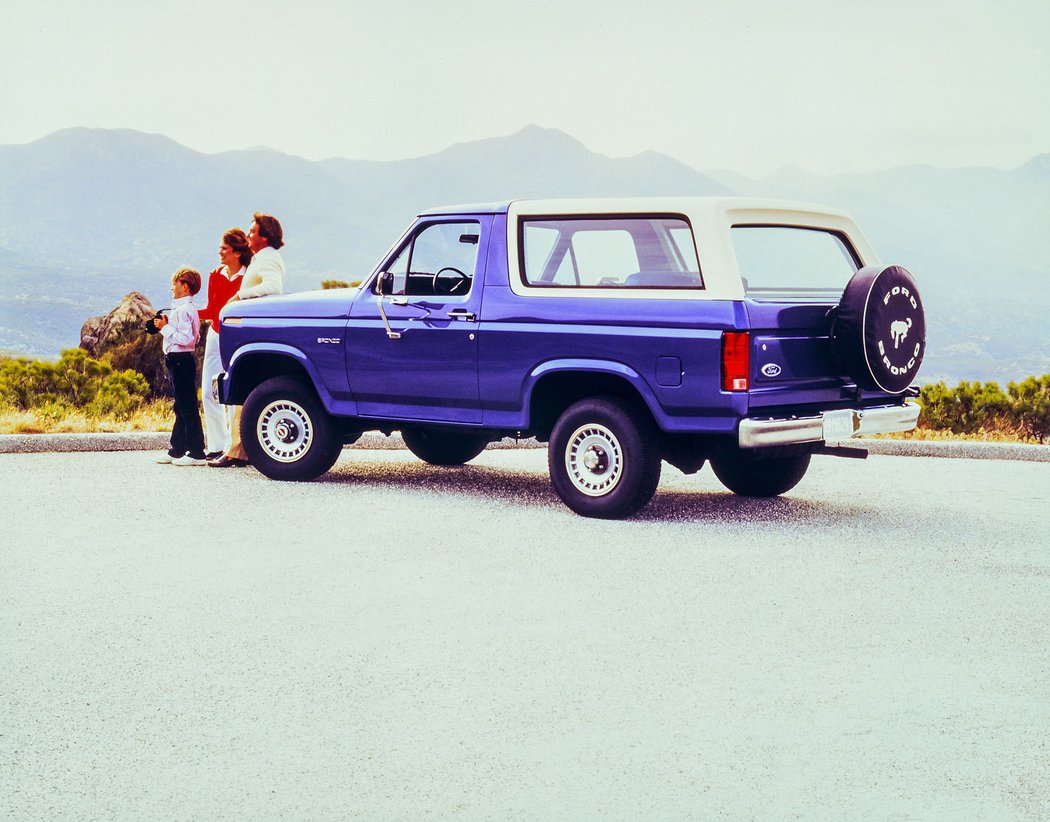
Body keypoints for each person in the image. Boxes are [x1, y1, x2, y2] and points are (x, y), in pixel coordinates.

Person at [209, 213, 286, 468]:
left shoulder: (268, 259)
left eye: (253, 232)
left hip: (255, 330)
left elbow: (273, 288)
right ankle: (238, 450)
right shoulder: (262, 258)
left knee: (243, 388)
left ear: (264, 236)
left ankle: (235, 451)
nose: (249, 235)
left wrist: (239, 296)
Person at [198, 229, 250, 458]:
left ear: (236, 252)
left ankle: (233, 447)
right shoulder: (215, 274)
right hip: (216, 335)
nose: (219, 252)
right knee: (209, 392)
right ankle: (216, 445)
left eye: (224, 248)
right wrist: (185, 313)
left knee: (233, 394)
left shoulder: (248, 278)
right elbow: (212, 310)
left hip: (238, 338)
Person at [154, 268, 207, 466]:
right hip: (179, 360)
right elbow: (196, 335)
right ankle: (177, 449)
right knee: (181, 405)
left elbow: (187, 338)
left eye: (174, 284)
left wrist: (164, 328)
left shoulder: (184, 310)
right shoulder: (185, 310)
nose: (172, 288)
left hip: (180, 360)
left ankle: (196, 452)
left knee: (187, 407)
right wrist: (167, 327)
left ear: (184, 286)